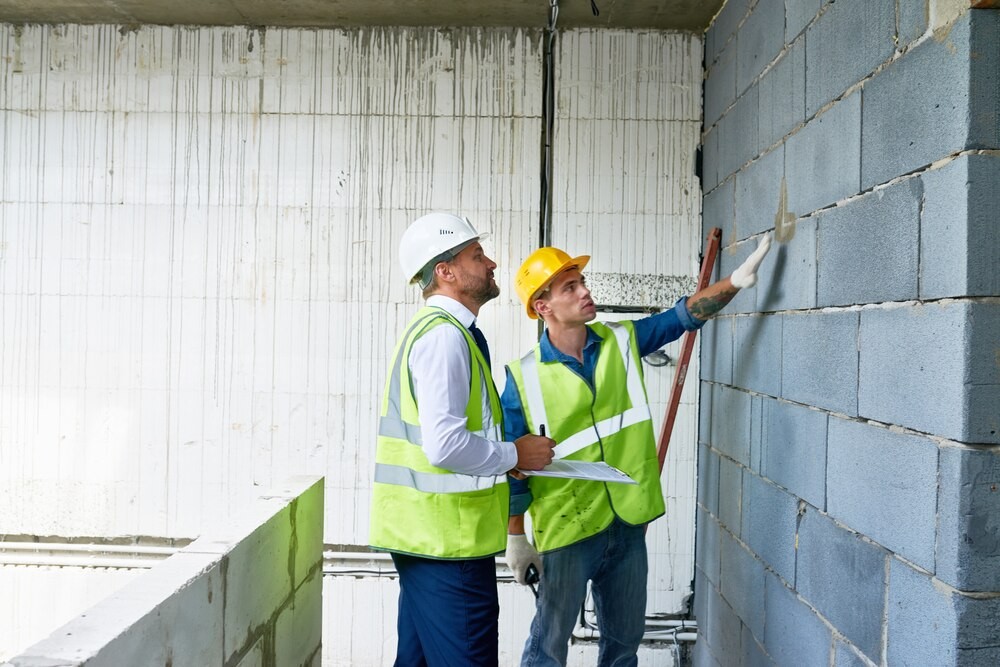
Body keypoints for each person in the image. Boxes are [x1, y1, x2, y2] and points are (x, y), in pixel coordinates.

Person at [502, 234, 772, 666]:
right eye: (569, 287)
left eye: (582, 281)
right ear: (543, 307)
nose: (585, 291)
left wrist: (736, 281)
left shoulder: (622, 341)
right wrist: (515, 537)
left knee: (624, 648)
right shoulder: (522, 378)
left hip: (627, 525)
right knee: (548, 649)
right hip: (568, 530)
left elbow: (681, 317)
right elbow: (513, 468)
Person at [369, 212, 557, 667]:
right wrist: (515, 452)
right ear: (445, 271)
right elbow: (445, 445)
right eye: (477, 255)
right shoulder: (444, 340)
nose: (491, 263)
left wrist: (502, 459)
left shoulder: (445, 333)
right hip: (447, 545)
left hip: (427, 539)